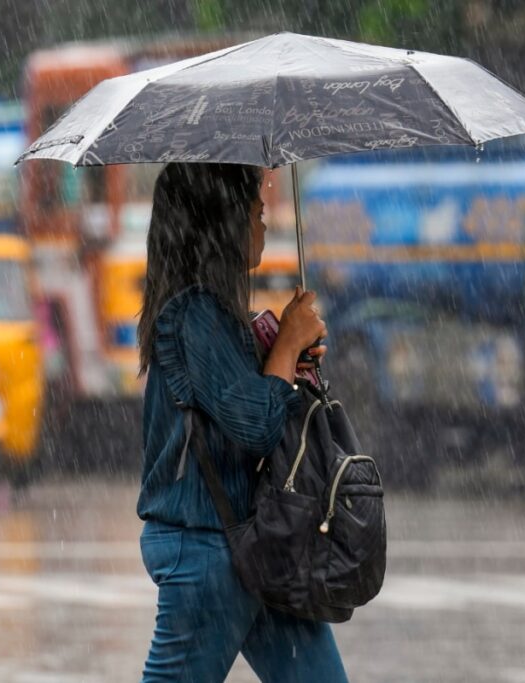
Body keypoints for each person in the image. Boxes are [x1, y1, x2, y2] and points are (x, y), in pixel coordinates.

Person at [135, 162, 349, 682]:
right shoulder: (194, 314)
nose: (265, 221)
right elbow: (255, 423)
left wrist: (282, 353)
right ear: (224, 221)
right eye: (256, 210)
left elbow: (245, 405)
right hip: (208, 548)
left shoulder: (218, 315)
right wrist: (289, 346)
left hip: (255, 543)